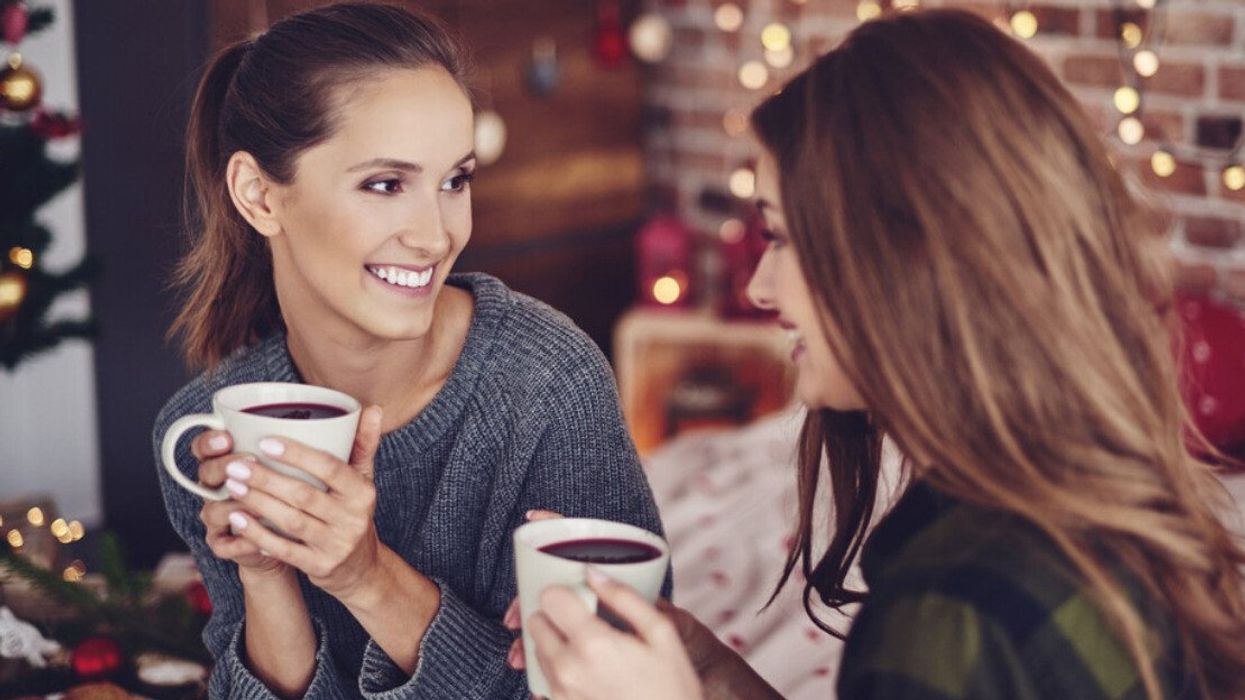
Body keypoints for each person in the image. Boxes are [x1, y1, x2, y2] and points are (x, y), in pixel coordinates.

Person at [510, 8, 1245, 700]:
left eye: (780, 237)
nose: (761, 288)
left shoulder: (949, 610)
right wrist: (713, 677)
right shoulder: (1083, 496)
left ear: (899, 264)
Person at [151, 3, 666, 698]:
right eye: (386, 184)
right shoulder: (205, 432)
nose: (434, 236)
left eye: (455, 180)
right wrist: (266, 573)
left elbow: (628, 685)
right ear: (258, 195)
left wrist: (365, 578)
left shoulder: (544, 384)